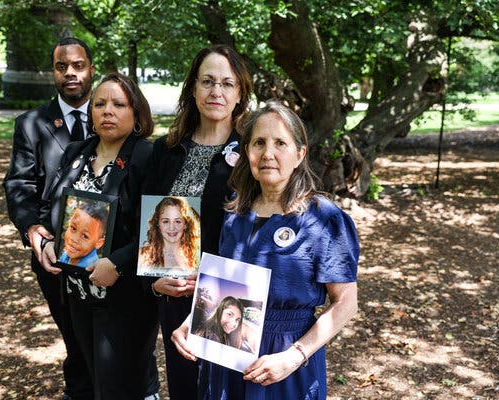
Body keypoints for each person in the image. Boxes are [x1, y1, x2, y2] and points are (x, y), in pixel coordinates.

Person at [171, 100, 359, 399]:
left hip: (282, 362)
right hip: (226, 354)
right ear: (247, 152)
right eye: (259, 142)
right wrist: (194, 322)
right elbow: (224, 288)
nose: (268, 153)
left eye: (280, 143)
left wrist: (294, 356)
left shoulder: (324, 219)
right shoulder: (235, 212)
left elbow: (346, 303)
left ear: (300, 154)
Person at [39, 72, 160, 400]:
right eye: (100, 104)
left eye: (119, 104)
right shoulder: (77, 153)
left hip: (125, 298)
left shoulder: (147, 157)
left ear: (137, 114)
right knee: (94, 380)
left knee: (123, 386)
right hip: (78, 293)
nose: (108, 111)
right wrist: (50, 243)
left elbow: (160, 233)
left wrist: (118, 264)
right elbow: (54, 209)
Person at [142, 44, 253, 400]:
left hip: (228, 301)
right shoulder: (165, 150)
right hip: (174, 298)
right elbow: (145, 225)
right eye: (207, 81)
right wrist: (154, 283)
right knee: (185, 389)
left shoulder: (252, 155)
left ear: (240, 94)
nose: (216, 92)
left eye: (226, 83)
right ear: (192, 88)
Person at [3, 37, 95, 400]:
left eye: (78, 65)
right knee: (76, 342)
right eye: (61, 67)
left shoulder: (114, 113)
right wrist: (33, 231)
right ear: (53, 72)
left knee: (113, 341)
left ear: (90, 68)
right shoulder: (31, 124)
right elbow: (19, 182)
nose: (70, 73)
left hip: (111, 255)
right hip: (54, 256)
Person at [138, 196, 200, 271]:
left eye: (177, 221)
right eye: (166, 221)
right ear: (158, 224)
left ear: (185, 225)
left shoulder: (196, 258)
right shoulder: (142, 255)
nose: (171, 228)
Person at [58, 200, 108, 268]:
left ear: (98, 243)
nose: (74, 239)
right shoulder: (66, 254)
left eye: (85, 236)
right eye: (73, 228)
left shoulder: (91, 268)